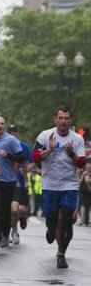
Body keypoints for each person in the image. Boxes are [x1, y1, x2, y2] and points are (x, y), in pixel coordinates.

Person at [33, 106, 86, 269]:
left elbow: (82, 163)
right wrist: (49, 149)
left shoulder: (77, 139)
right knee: (52, 218)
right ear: (55, 119)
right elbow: (35, 158)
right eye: (60, 118)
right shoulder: (45, 135)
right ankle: (50, 228)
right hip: (50, 185)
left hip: (69, 185)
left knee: (66, 220)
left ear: (71, 120)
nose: (63, 121)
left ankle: (61, 254)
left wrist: (71, 153)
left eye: (67, 118)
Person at [0, 116, 25, 250]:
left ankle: (5, 234)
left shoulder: (11, 140)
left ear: (5, 125)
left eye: (2, 124)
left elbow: (21, 157)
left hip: (8, 180)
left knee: (5, 209)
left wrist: (8, 155)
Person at [7, 124, 32, 245]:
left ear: (18, 133)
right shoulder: (4, 145)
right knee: (11, 209)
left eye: (14, 132)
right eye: (10, 132)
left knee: (21, 209)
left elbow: (27, 164)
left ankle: (22, 217)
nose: (12, 134)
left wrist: (27, 181)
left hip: (19, 182)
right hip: (6, 182)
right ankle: (13, 231)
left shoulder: (24, 147)